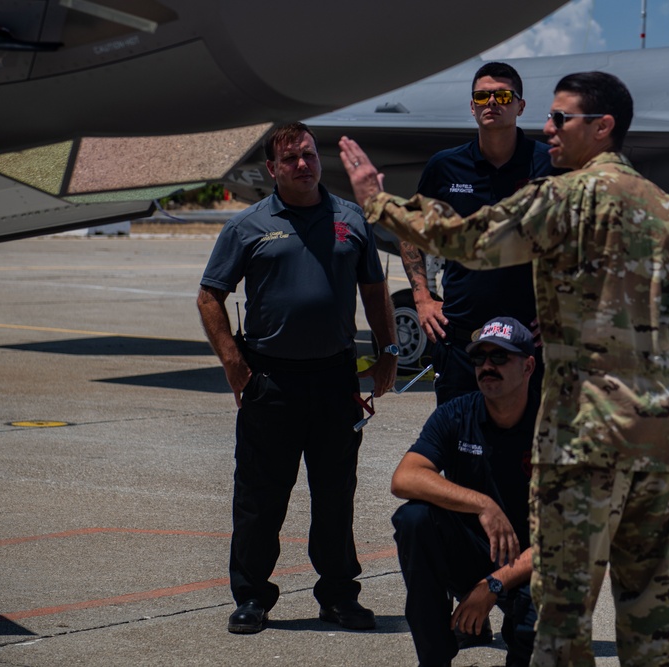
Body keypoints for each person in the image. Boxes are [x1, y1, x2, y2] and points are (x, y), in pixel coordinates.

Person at [341, 71, 669, 666]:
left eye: (560, 118)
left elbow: (467, 241)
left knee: (561, 609)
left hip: (581, 433)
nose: (547, 128)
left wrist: (376, 201)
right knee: (654, 605)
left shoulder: (561, 197)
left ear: (602, 128)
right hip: (658, 439)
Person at [197, 122, 397, 635]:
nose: (303, 165)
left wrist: (388, 352)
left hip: (335, 380)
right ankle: (252, 597)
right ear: (272, 169)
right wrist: (233, 363)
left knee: (335, 497)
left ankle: (338, 596)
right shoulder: (249, 225)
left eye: (308, 155)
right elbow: (209, 295)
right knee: (261, 499)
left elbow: (375, 290)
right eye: (290, 159)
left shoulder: (350, 218)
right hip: (272, 382)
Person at [400, 61, 554, 404]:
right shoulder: (445, 165)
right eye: (482, 97)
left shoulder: (549, 164)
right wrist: (423, 298)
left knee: (530, 452)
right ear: (472, 106)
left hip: (530, 341)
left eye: (502, 95)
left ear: (520, 105)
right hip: (463, 340)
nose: (492, 103)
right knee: (462, 445)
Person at [391, 316, 541, 667]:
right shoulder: (457, 414)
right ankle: (435, 658)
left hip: (536, 560)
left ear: (529, 365)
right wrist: (482, 504)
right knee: (415, 519)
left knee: (537, 633)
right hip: (475, 550)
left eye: (500, 357)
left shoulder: (555, 426)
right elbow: (405, 478)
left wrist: (492, 586)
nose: (487, 366)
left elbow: (567, 537)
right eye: (480, 358)